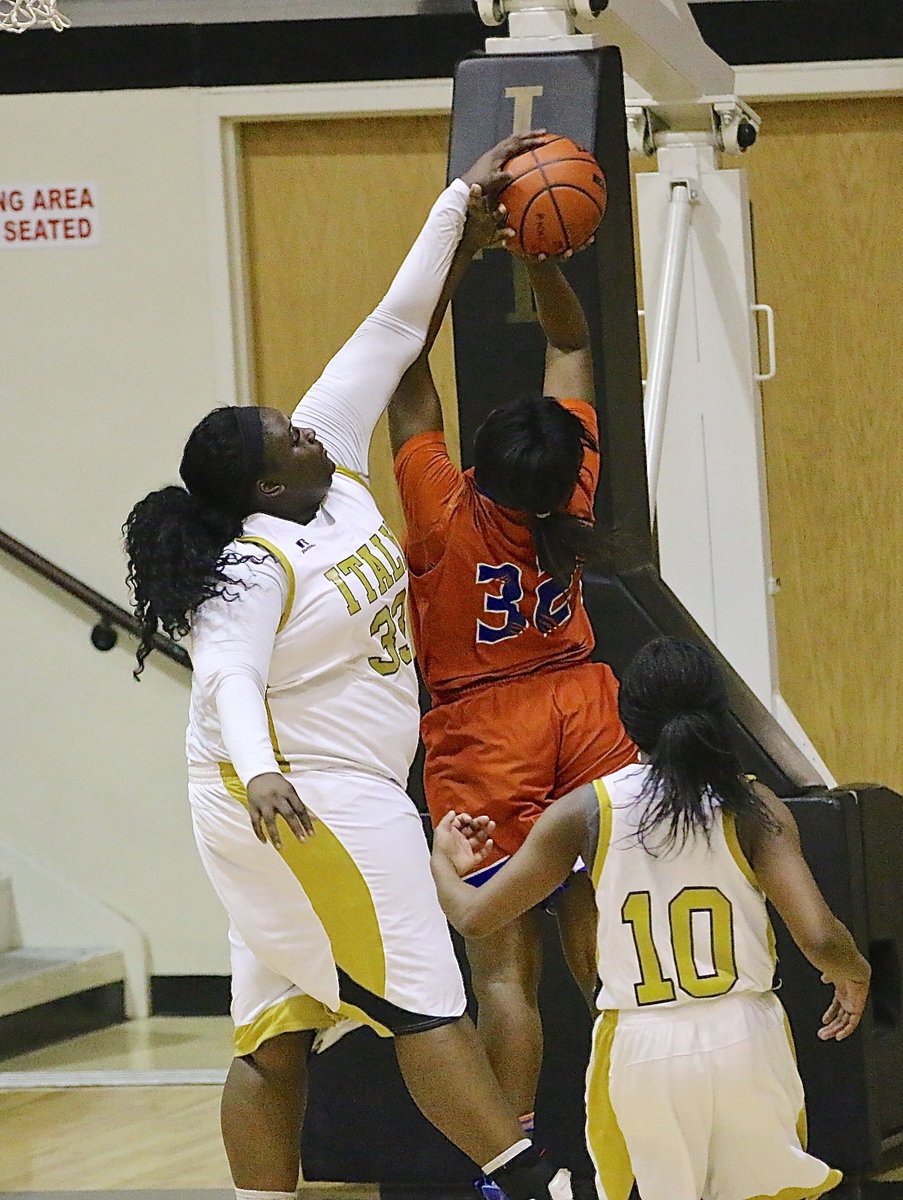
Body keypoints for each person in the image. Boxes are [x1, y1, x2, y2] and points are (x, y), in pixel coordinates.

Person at [123, 134, 574, 1200]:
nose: (310, 428)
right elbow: (227, 679)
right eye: (287, 438)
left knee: (277, 1028)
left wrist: (458, 211)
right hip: (296, 795)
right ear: (263, 485)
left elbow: (391, 324)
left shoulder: (324, 464)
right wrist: (263, 768)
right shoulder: (250, 562)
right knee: (425, 1002)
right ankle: (537, 1186)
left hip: (320, 792)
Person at [431, 636, 871, 1200]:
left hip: (640, 1046)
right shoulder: (753, 806)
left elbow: (473, 917)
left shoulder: (587, 809)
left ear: (627, 720)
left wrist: (444, 862)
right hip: (744, 1034)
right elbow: (819, 935)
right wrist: (853, 973)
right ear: (717, 712)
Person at [388, 197, 637, 1143]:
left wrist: (462, 251)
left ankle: (513, 1155)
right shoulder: (568, 495)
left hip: (484, 728)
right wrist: (539, 258)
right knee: (599, 943)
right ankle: (628, 1125)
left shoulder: (446, 514)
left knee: (501, 973)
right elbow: (572, 353)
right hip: (583, 707)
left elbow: (406, 369)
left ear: (480, 467)